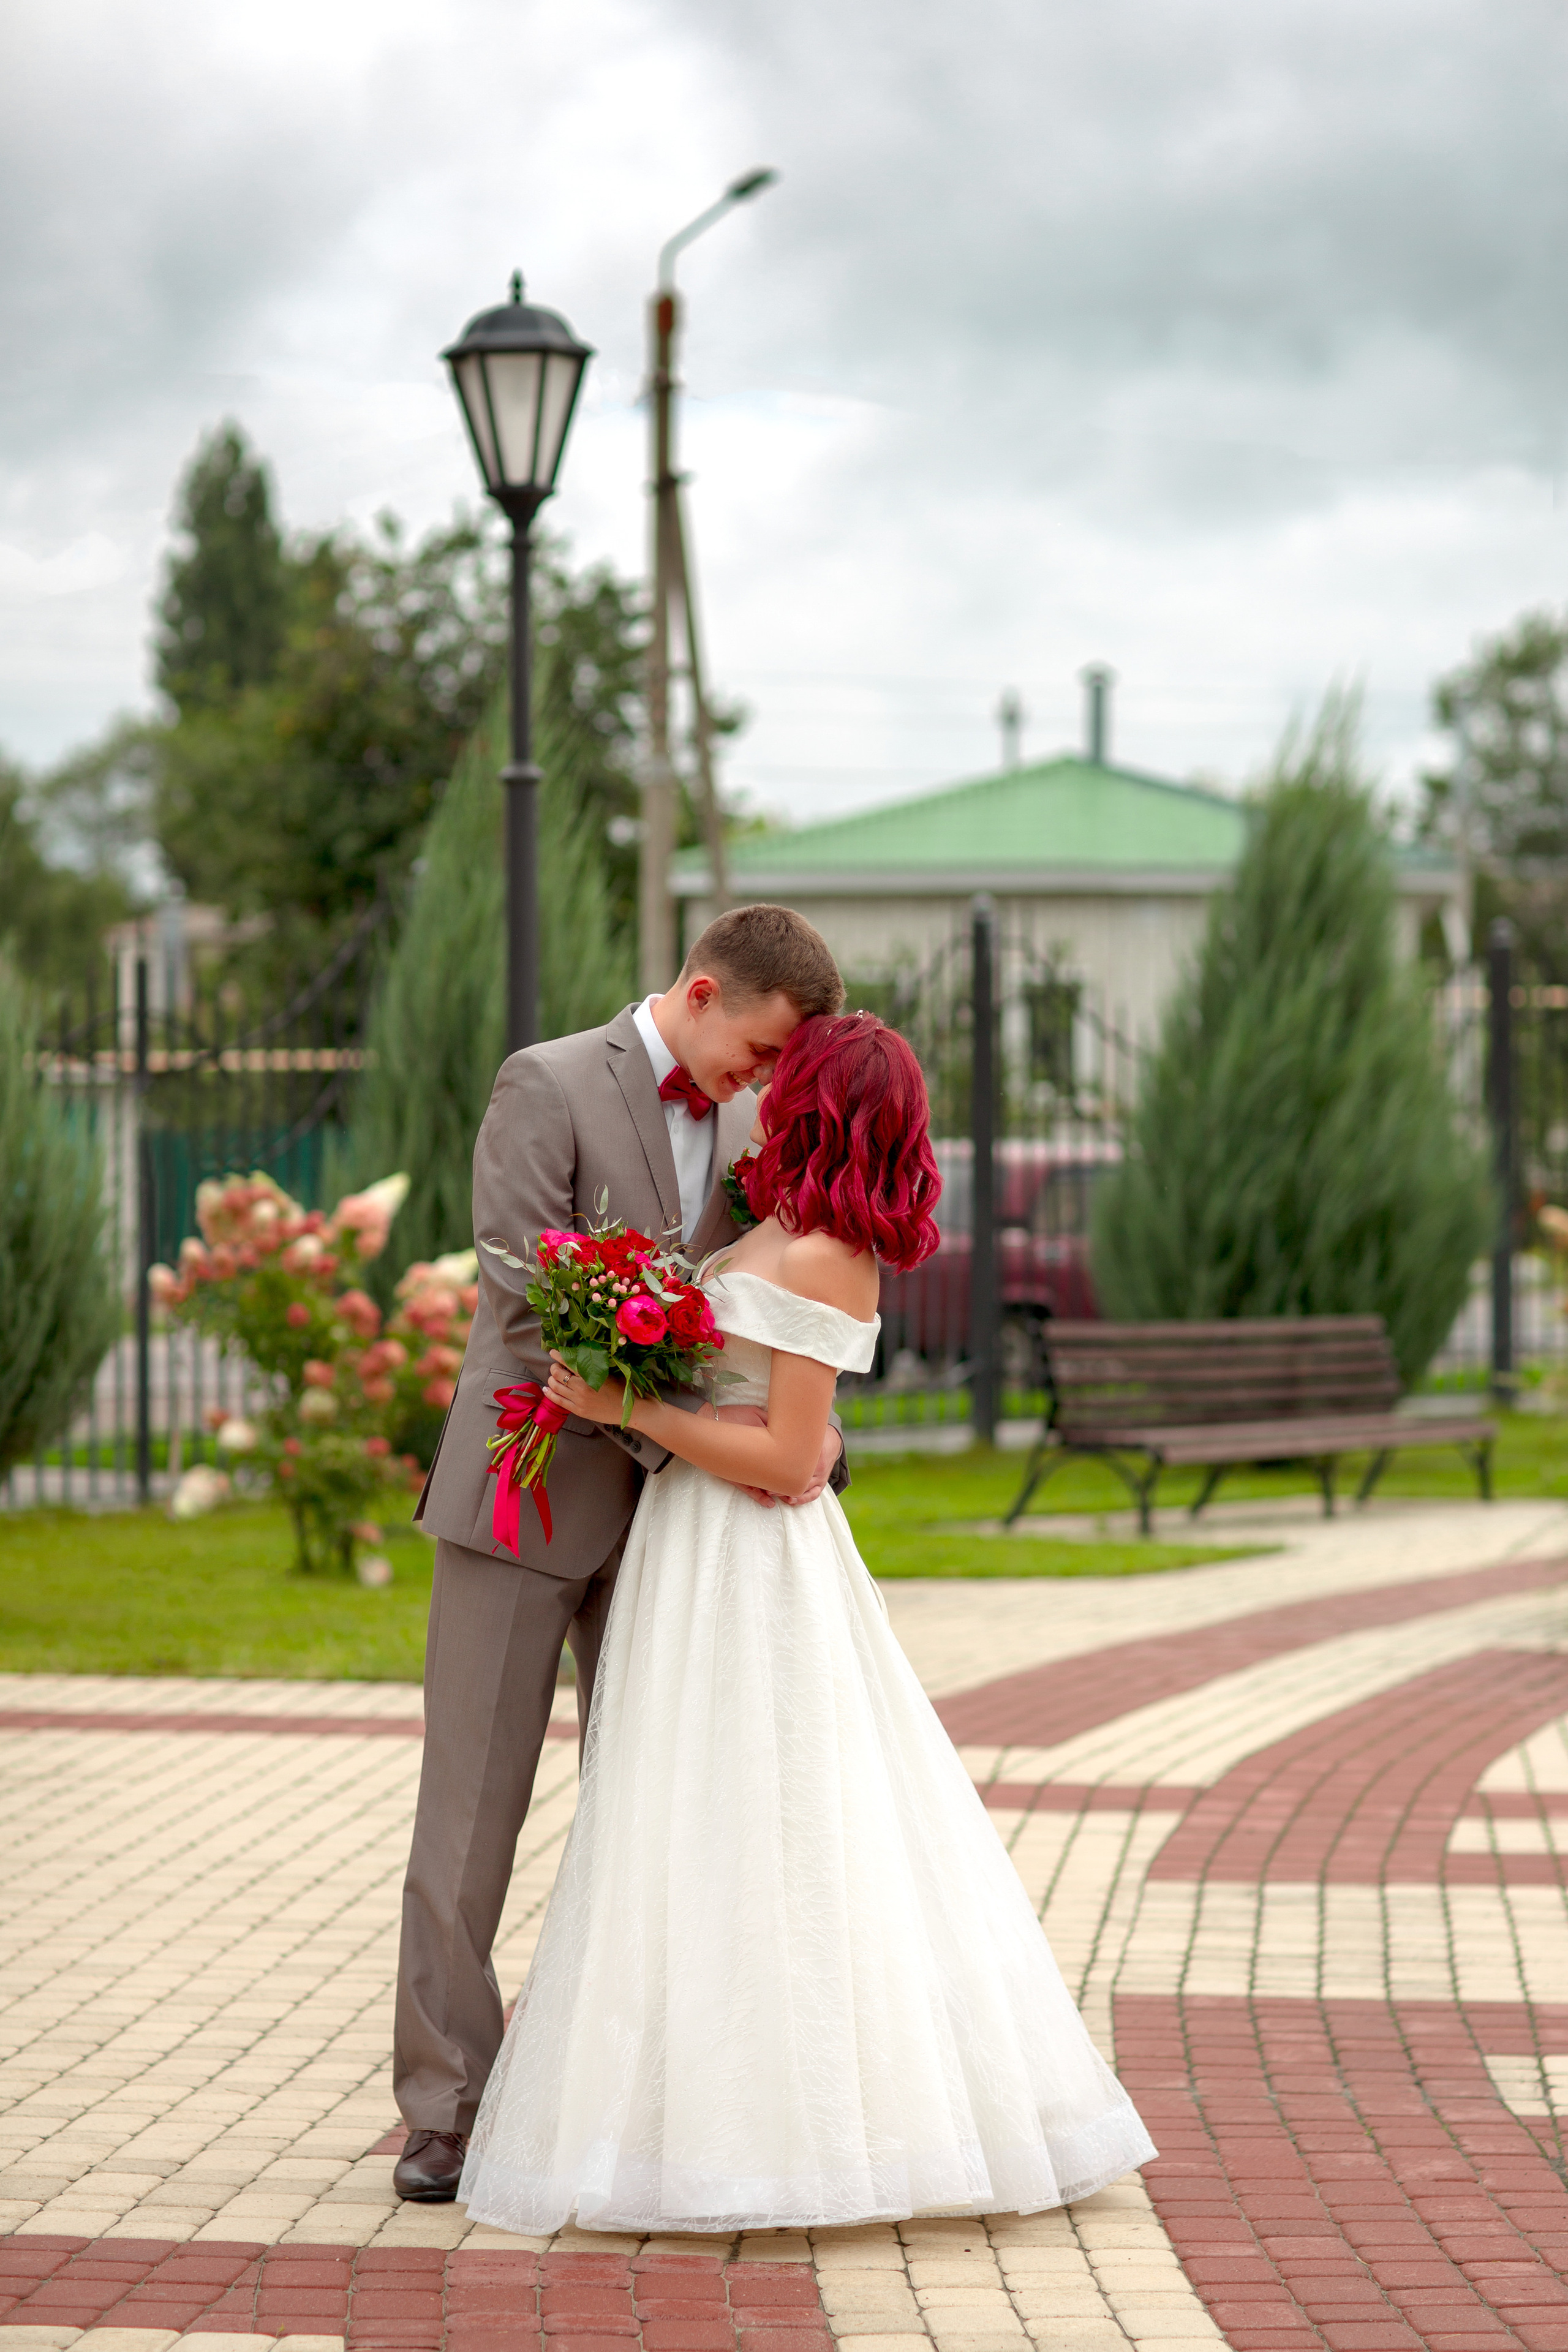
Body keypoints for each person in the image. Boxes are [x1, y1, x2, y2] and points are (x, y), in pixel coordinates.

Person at [457, 1012, 1156, 2233]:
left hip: (749, 1563)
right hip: (688, 1549)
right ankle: (679, 2111)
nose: (763, 1090)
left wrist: (629, 1403)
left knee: (768, 1824)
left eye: (790, 1079)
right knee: (682, 1823)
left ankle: (789, 2133)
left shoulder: (833, 1250)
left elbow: (787, 1459)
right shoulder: (773, 1224)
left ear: (822, 1101)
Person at [392, 904, 848, 2203]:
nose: (760, 1084)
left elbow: (780, 1302)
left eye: (775, 1068)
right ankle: (444, 2110)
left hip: (680, 1528)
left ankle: (621, 2105)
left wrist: (786, 1443)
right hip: (524, 1499)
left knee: (657, 1816)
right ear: (700, 991)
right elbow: (520, 1278)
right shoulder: (545, 1081)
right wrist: (670, 1412)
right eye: (754, 1052)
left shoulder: (758, 1127)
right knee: (471, 1818)